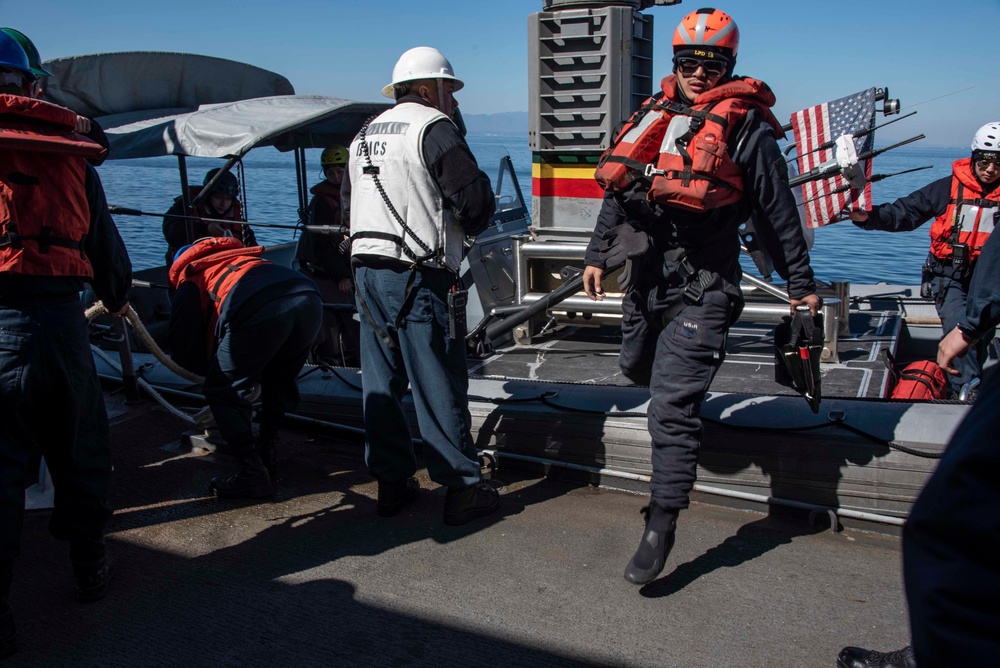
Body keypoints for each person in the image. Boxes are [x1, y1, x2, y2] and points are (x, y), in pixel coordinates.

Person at [583, 7, 821, 585]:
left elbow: (778, 215)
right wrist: (596, 253)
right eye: (688, 62)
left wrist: (802, 289)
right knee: (634, 366)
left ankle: (660, 523)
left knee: (670, 407)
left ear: (730, 65)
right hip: (644, 277)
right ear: (675, 64)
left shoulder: (750, 129)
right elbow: (619, 189)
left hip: (705, 286)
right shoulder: (655, 112)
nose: (697, 72)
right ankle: (678, 420)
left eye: (711, 63)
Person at [0, 34, 132, 659]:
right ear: (30, 88)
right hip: (63, 323)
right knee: (81, 452)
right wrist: (111, 293)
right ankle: (89, 568)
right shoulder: (72, 155)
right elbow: (112, 264)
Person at [342, 46, 499, 525]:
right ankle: (461, 490)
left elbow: (348, 207)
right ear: (432, 89)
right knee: (437, 379)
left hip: (366, 272)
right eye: (450, 91)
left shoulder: (364, 134)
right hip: (418, 273)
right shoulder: (434, 129)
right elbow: (475, 204)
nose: (452, 101)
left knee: (381, 382)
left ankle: (392, 484)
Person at [837, 211, 1000, 668]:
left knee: (951, 524)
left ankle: (938, 654)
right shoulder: (954, 186)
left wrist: (967, 326)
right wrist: (868, 217)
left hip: (975, 313)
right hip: (967, 304)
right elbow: (907, 210)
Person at [850, 122, 1000, 398]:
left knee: (981, 336)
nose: (991, 169)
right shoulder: (947, 189)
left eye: (999, 163)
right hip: (950, 276)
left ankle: (971, 387)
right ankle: (964, 394)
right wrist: (868, 217)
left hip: (989, 281)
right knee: (959, 326)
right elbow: (904, 213)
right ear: (974, 157)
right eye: (986, 161)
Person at [167, 237, 322, 499]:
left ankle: (251, 473)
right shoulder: (242, 260)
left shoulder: (192, 279)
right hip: (308, 296)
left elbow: (182, 350)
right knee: (279, 379)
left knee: (221, 390)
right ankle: (266, 452)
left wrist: (220, 369)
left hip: (261, 306)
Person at [295, 145, 359, 365]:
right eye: (331, 173)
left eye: (340, 172)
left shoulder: (354, 195)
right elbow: (321, 244)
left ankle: (352, 358)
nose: (335, 177)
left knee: (351, 317)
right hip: (325, 271)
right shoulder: (323, 202)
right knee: (337, 318)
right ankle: (335, 362)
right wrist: (341, 275)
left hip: (345, 265)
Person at [162, 168, 257, 266]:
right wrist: (205, 229)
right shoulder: (186, 206)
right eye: (218, 197)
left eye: (228, 199)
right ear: (208, 195)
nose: (223, 203)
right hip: (189, 265)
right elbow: (171, 233)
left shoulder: (236, 215)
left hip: (225, 265)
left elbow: (251, 244)